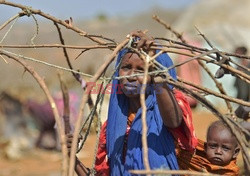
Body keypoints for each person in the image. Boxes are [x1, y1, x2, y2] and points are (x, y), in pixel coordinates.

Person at [67, 30, 198, 176]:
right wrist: (72, 157)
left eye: (142, 70)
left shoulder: (171, 105)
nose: (131, 76)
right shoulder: (113, 128)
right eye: (126, 67)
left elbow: (173, 121)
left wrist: (156, 71)